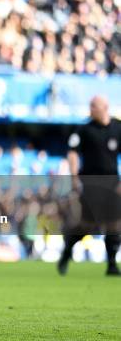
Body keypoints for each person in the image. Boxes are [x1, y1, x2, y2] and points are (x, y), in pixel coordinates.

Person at [59, 95, 120, 276]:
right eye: (90, 106)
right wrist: (74, 177)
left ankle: (111, 265)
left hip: (112, 182)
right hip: (91, 181)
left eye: (94, 106)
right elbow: (72, 153)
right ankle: (68, 249)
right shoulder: (84, 129)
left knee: (114, 224)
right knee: (88, 225)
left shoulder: (118, 128)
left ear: (105, 107)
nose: (91, 109)